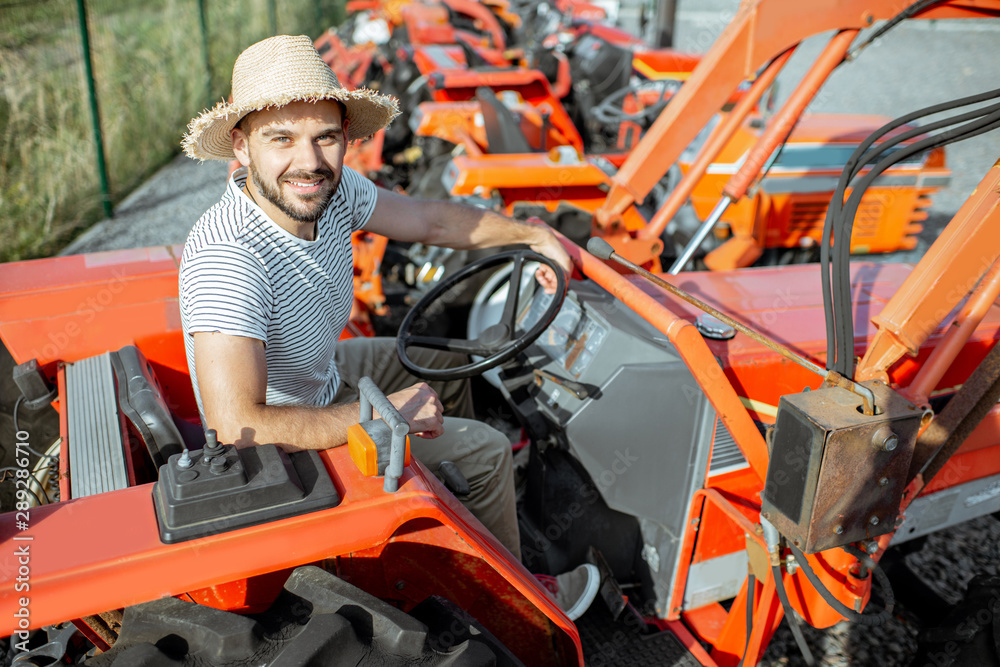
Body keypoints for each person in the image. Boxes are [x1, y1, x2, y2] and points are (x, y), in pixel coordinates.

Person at [178, 34, 599, 620]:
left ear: (345, 137)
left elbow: (429, 218)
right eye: (282, 139)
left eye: (325, 137)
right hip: (280, 450)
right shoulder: (230, 257)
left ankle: (458, 518)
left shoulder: (332, 192)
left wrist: (529, 235)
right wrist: (384, 416)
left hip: (316, 377)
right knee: (487, 450)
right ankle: (519, 604)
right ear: (243, 147)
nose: (309, 161)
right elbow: (239, 425)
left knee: (447, 359)